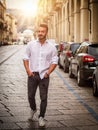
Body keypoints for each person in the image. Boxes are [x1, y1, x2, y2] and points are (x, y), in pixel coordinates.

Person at [23, 23, 58, 127]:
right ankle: (33, 109)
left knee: (44, 98)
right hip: (32, 75)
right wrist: (28, 71)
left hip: (44, 76)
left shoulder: (51, 47)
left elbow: (54, 61)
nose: (40, 33)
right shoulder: (31, 45)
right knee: (30, 96)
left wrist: (48, 73)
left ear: (46, 32)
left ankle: (41, 117)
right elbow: (25, 58)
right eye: (39, 31)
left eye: (42, 31)